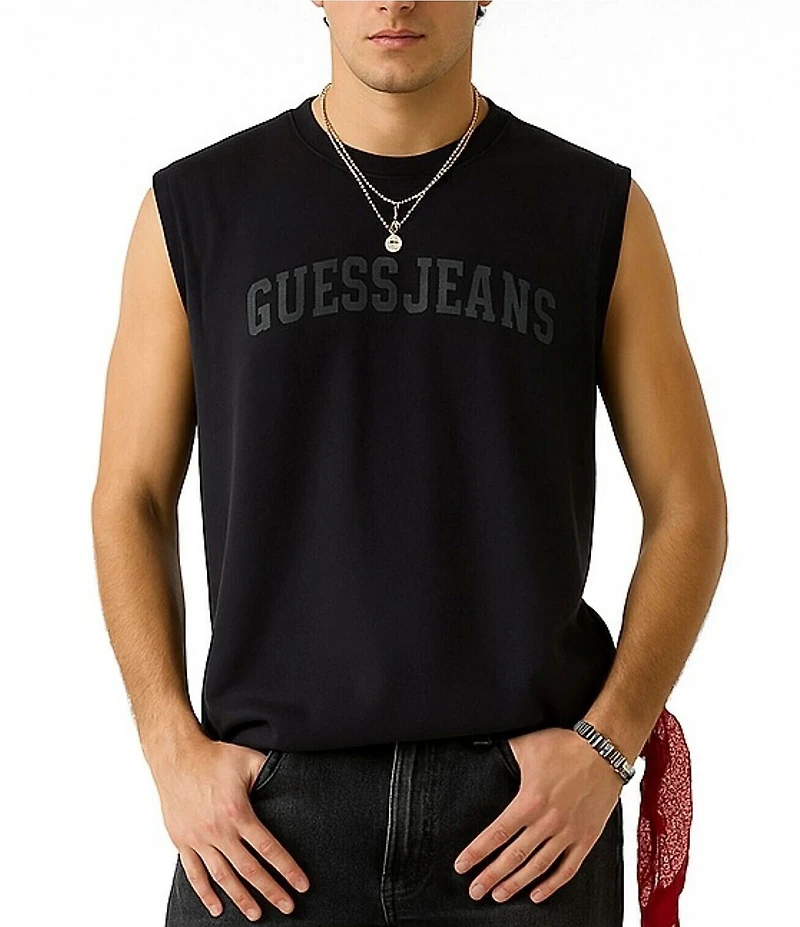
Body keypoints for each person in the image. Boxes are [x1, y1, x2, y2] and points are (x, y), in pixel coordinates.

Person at [91, 2, 727, 925]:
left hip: (522, 824)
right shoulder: (194, 209)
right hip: (264, 825)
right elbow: (132, 497)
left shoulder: (595, 210)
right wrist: (168, 748)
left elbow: (689, 502)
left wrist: (609, 741)